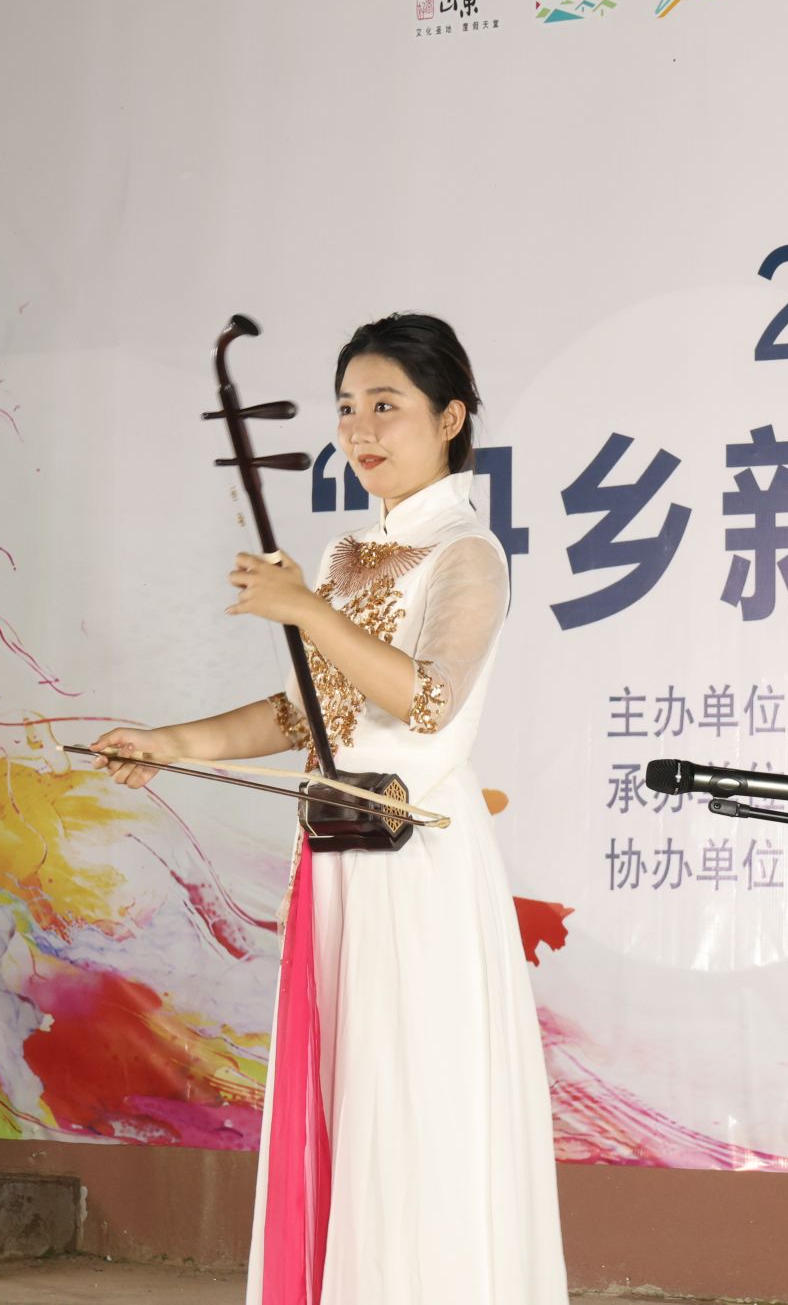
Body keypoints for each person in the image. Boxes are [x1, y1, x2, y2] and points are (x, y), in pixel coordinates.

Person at [92, 313, 568, 1304]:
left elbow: (427, 701)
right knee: (347, 1099)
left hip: (417, 867)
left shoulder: (468, 553)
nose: (360, 430)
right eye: (347, 407)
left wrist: (307, 610)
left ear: (450, 418)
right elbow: (306, 713)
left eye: (386, 406)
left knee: (412, 1102)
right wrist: (171, 743)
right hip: (337, 854)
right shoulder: (345, 552)